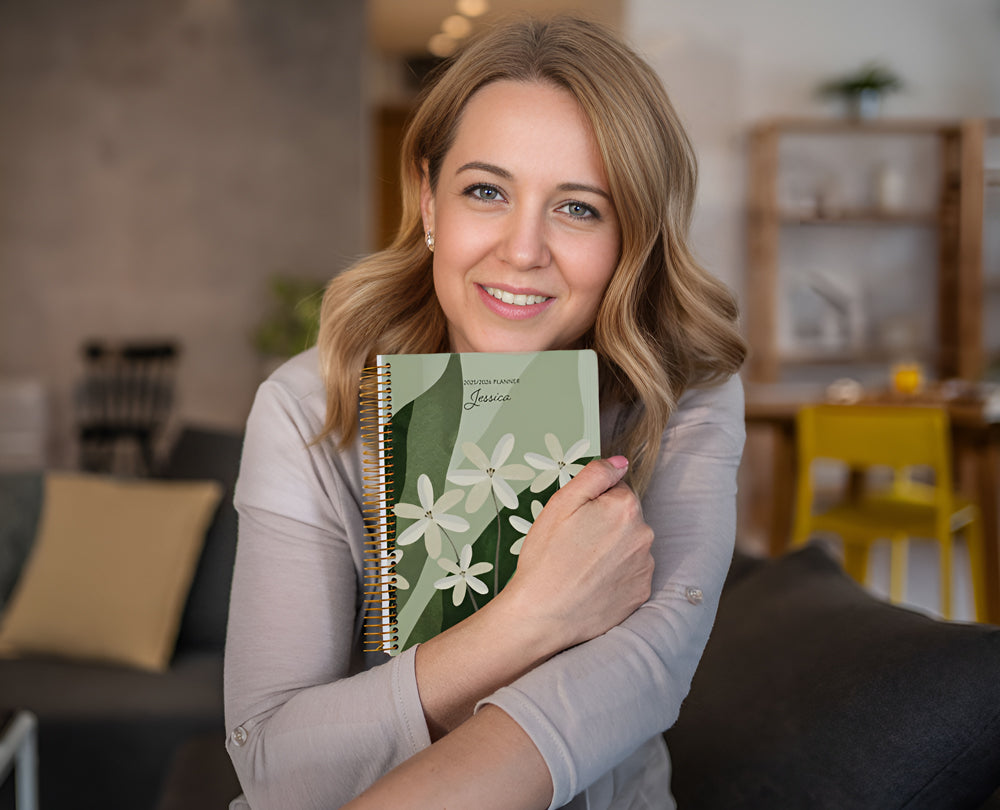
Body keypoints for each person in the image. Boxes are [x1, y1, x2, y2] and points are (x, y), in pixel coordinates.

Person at [224, 15, 747, 810]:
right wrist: (530, 619)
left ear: (632, 235)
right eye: (486, 191)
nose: (522, 249)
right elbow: (271, 765)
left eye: (579, 208)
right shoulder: (310, 405)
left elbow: (650, 672)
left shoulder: (683, 396)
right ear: (430, 201)